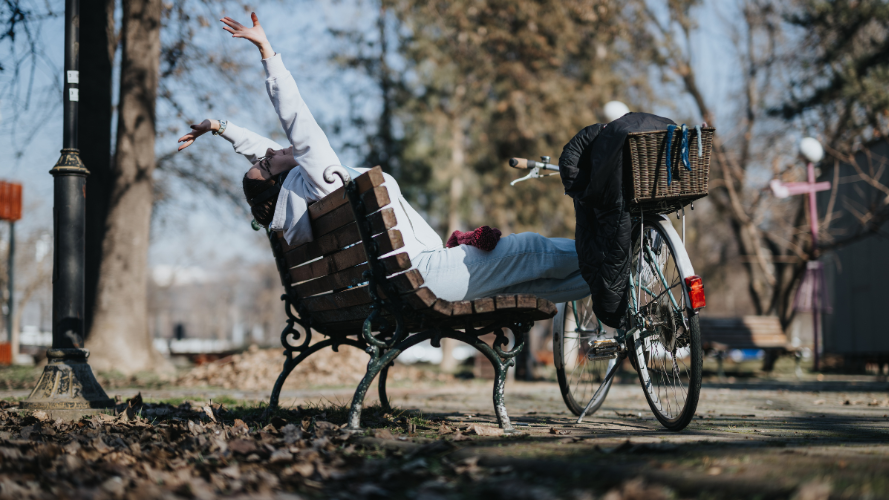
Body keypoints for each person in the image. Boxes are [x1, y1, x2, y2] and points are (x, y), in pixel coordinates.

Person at [177, 12, 588, 304]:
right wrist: (268, 53)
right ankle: (617, 256)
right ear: (281, 183)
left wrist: (221, 128)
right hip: (426, 275)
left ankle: (615, 274)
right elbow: (298, 125)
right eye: (268, 162)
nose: (268, 151)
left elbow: (266, 157)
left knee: (532, 284)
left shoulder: (304, 203)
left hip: (401, 284)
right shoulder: (319, 181)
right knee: (530, 251)